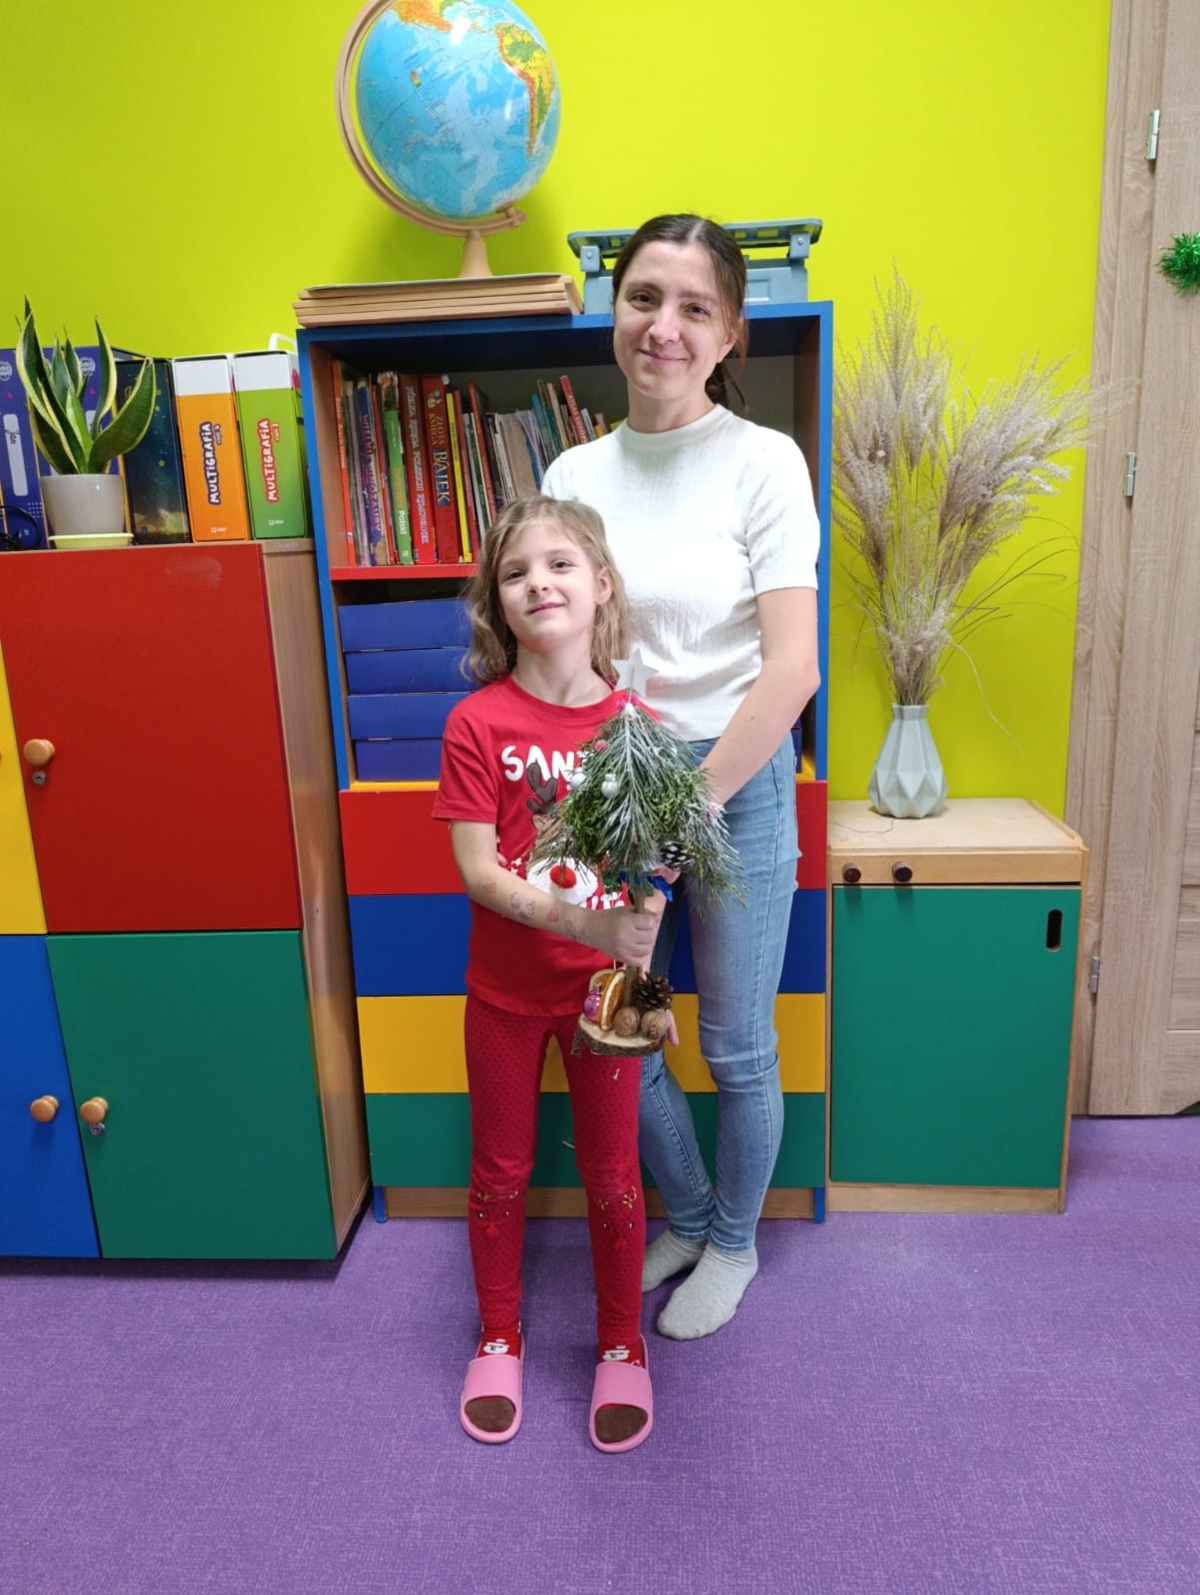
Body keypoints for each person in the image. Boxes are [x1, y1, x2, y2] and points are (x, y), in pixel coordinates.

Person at [542, 213, 821, 1341]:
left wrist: (688, 806)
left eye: (694, 307)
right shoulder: (573, 471)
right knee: (622, 1022)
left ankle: (736, 1244)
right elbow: (563, 644)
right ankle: (694, 1212)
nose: (664, 327)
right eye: (644, 298)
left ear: (730, 334)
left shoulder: (764, 461)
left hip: (736, 781)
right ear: (614, 311)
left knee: (737, 1044)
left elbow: (793, 666)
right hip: (620, 783)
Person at [433, 493, 667, 1452]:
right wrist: (589, 921)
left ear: (600, 584)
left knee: (615, 1176)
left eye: (560, 563)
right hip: (504, 999)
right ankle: (498, 1332)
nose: (539, 582)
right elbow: (480, 872)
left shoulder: (638, 725)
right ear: (498, 600)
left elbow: (653, 873)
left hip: (609, 999)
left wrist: (646, 957)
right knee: (499, 1171)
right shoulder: (477, 722)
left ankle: (621, 1343)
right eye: (516, 571)